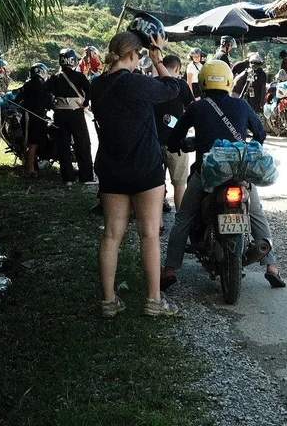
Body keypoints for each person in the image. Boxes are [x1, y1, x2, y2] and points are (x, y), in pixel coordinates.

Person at [161, 59, 286, 290]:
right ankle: (272, 267)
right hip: (239, 172)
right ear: (228, 82)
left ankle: (170, 269)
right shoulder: (241, 105)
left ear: (203, 83)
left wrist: (179, 144)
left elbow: (176, 136)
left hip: (207, 174)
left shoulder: (197, 107)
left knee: (184, 217)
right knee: (256, 213)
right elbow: (260, 134)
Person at [92, 16, 183, 318]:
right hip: (145, 170)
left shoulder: (96, 86)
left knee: (111, 235)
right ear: (133, 55)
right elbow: (173, 87)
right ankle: (154, 300)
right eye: (139, 55)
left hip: (111, 170)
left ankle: (108, 301)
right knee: (149, 235)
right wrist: (157, 58)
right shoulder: (138, 84)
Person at [154, 54, 195, 210]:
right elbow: (192, 108)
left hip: (154, 142)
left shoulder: (153, 84)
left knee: (156, 185)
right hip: (177, 143)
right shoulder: (181, 85)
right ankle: (180, 218)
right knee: (179, 184)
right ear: (177, 69)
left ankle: (157, 219)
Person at [50, 48, 94, 185]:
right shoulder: (79, 76)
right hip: (76, 113)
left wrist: (52, 105)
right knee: (82, 144)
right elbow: (89, 90)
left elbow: (44, 92)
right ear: (73, 61)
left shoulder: (55, 77)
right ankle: (86, 177)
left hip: (59, 114)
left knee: (63, 145)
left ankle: (67, 178)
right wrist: (85, 104)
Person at [14, 63, 53, 178]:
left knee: (30, 143)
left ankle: (32, 167)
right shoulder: (44, 86)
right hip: (37, 118)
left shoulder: (26, 85)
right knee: (33, 144)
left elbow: (17, 101)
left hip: (27, 117)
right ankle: (30, 171)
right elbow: (50, 103)